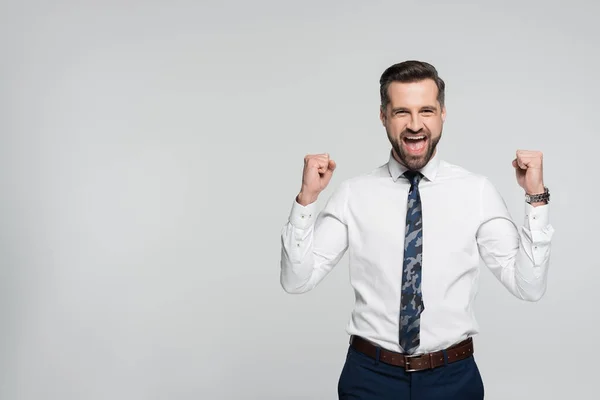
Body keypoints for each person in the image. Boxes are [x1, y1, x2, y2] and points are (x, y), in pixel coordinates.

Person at [279, 60, 554, 400]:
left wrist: (535, 198)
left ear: (442, 114)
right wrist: (307, 200)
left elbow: (528, 286)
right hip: (370, 377)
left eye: (426, 110)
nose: (414, 125)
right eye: (401, 112)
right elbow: (296, 280)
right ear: (383, 117)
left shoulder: (476, 191)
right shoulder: (354, 193)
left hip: (452, 379)